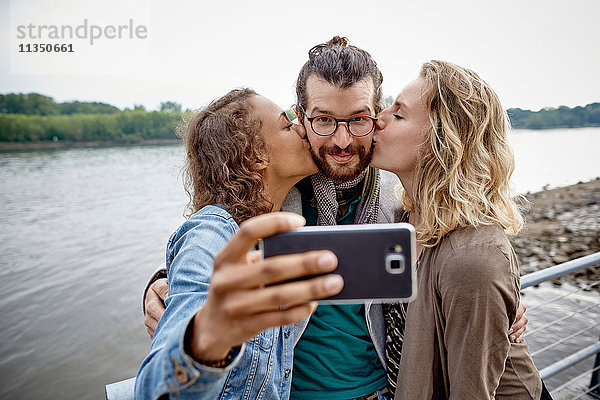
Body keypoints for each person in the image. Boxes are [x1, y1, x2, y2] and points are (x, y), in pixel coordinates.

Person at [142, 37, 528, 399]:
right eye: (324, 120)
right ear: (302, 120)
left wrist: (501, 300)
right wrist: (164, 283)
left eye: (358, 120)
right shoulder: (277, 191)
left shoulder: (402, 201)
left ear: (377, 116)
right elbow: (215, 249)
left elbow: (459, 260)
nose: (342, 142)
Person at [135, 88, 346, 399]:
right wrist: (204, 340)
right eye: (287, 126)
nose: (302, 129)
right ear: (255, 154)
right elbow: (151, 390)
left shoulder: (276, 231)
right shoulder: (211, 233)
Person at [372, 60, 552, 399]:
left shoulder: (473, 258)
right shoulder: (401, 220)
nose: (378, 118)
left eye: (398, 114)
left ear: (441, 140)